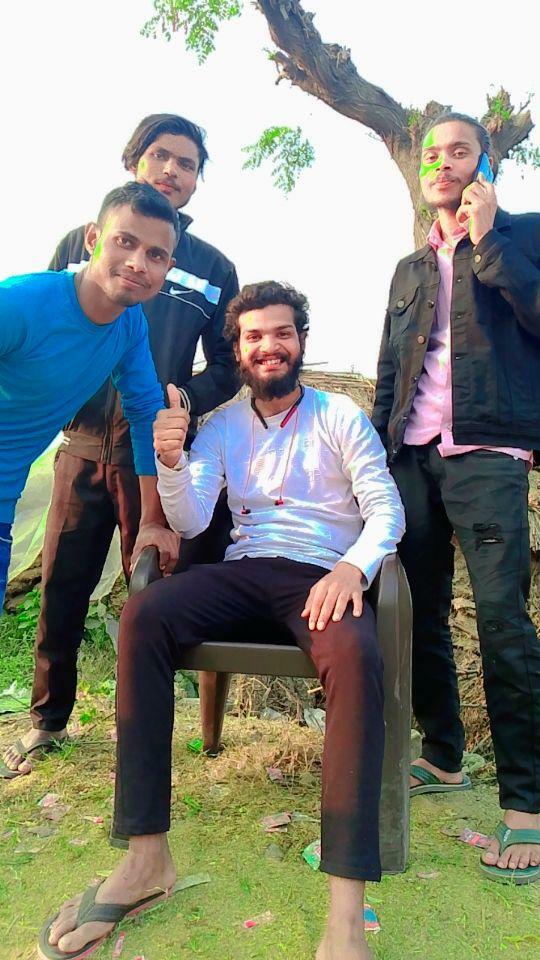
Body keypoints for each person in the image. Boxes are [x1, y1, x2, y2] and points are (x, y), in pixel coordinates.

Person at [38, 281, 405, 960]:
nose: (270, 347)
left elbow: (385, 507)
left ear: (301, 341)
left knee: (357, 656)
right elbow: (190, 518)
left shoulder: (340, 417)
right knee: (146, 613)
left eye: (282, 333)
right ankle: (146, 857)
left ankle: (346, 914)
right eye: (254, 336)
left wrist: (354, 568)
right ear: (237, 350)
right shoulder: (225, 425)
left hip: (320, 575)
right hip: (244, 569)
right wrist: (172, 463)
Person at [2, 113, 239, 779]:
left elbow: (224, 365)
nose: (172, 171)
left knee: (151, 589)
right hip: (80, 443)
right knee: (63, 585)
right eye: (161, 156)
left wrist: (179, 400)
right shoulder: (58, 269)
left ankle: (142, 728)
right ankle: (48, 719)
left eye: (186, 163)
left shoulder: (213, 269)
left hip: (152, 452)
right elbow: (43, 330)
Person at [372, 112, 540, 884]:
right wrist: (379, 457)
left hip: (490, 453)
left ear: (485, 166)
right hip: (412, 459)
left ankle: (527, 806)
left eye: (459, 152)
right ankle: (444, 756)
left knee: (503, 620)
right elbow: (389, 373)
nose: (442, 163)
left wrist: (490, 237)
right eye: (432, 155)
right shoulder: (408, 270)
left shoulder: (523, 236)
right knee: (418, 613)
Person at [0, 181, 179, 618]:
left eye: (155, 254)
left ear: (168, 268)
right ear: (93, 238)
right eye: (125, 242)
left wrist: (152, 521)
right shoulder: (20, 304)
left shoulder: (129, 327)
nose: (138, 263)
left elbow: (145, 415)